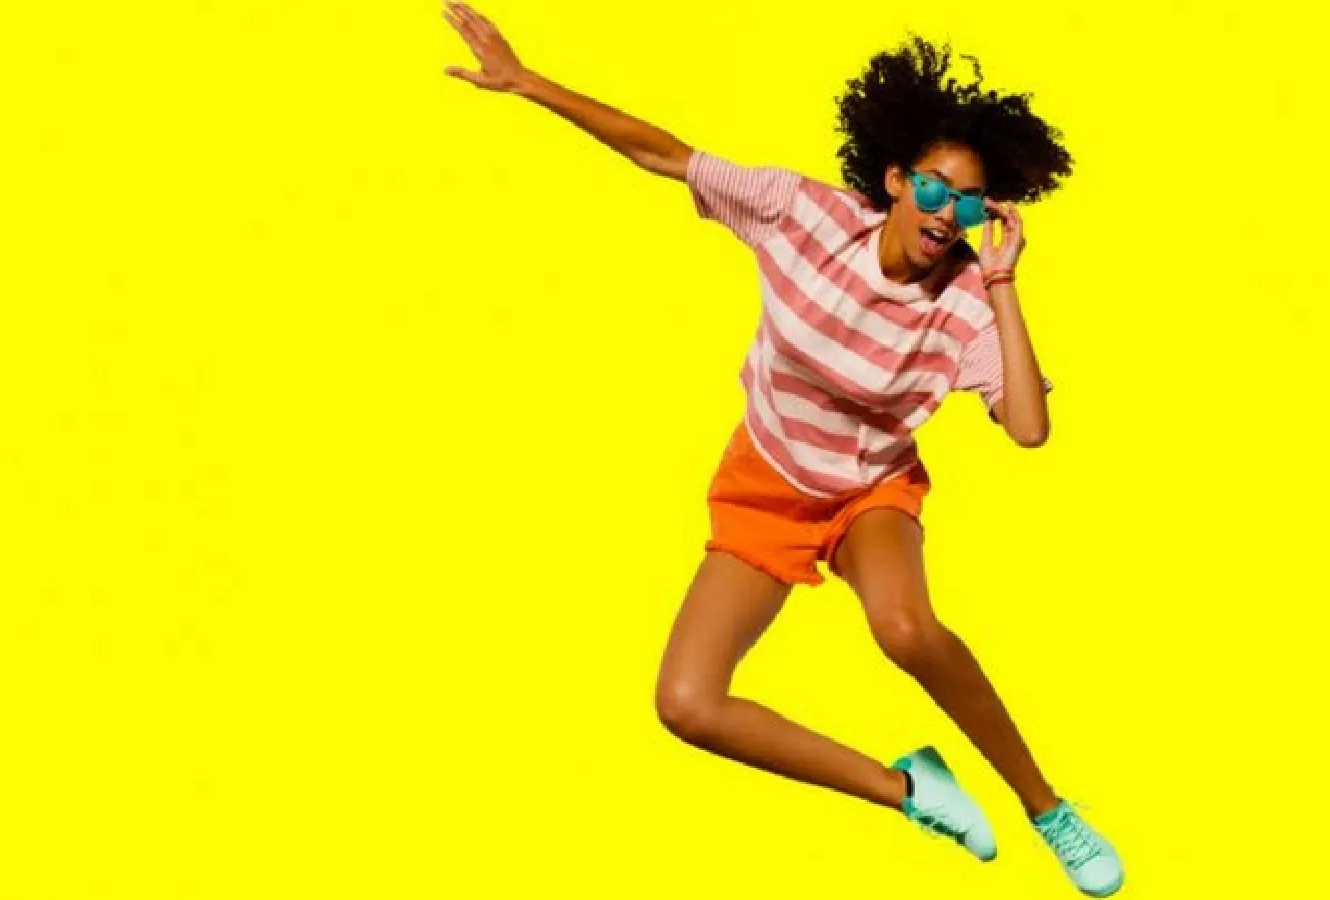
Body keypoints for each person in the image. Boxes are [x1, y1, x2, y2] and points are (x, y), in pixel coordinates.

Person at [443, 3, 1123, 895]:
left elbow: (1029, 428)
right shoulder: (802, 215)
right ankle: (911, 790)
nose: (947, 212)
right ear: (894, 180)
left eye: (968, 202)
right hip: (766, 483)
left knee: (905, 628)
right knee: (687, 703)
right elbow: (666, 154)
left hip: (868, 493)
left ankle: (1047, 807)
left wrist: (1001, 284)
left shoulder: (965, 300)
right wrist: (528, 82)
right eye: (933, 188)